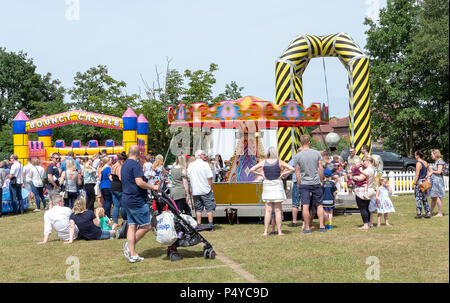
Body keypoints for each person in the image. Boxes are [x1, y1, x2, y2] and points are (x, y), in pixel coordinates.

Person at [121, 145, 159, 263]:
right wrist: (152, 186)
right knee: (146, 226)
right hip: (136, 199)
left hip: (126, 198)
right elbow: (139, 182)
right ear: (138, 154)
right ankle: (128, 246)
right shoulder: (135, 164)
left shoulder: (124, 164)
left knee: (132, 226)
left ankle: (132, 254)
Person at [249, 146, 294, 236]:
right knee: (278, 210)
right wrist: (283, 174)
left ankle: (265, 231)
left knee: (268, 210)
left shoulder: (264, 162)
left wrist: (261, 174)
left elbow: (251, 169)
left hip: (267, 185)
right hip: (277, 184)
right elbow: (292, 169)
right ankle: (279, 231)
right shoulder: (279, 162)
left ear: (268, 153)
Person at [294, 135, 326, 234]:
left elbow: (297, 172)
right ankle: (321, 226)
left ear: (301, 142)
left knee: (305, 206)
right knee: (319, 205)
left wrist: (299, 183)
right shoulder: (316, 153)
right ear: (309, 142)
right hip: (316, 182)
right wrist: (321, 180)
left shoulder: (297, 156)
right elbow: (320, 168)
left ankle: (307, 228)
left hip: (304, 183)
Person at [187, 150, 217, 230]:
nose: (205, 156)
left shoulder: (191, 165)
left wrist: (191, 187)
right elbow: (209, 178)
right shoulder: (205, 164)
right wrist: (211, 188)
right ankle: (211, 225)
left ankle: (199, 224)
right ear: (200, 156)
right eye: (204, 155)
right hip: (205, 189)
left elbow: (188, 176)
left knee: (198, 208)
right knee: (209, 207)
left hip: (196, 190)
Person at [352, 155, 377, 229]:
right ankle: (369, 223)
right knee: (367, 208)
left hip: (362, 192)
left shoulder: (367, 170)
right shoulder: (372, 169)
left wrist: (353, 177)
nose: (362, 162)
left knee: (363, 209)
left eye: (363, 161)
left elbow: (360, 178)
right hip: (369, 191)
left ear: (368, 161)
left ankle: (365, 225)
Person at [110, 152, 128, 228]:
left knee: (116, 206)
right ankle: (125, 221)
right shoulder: (119, 167)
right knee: (123, 205)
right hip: (119, 188)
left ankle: (115, 222)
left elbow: (111, 176)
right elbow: (121, 178)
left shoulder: (113, 166)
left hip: (113, 187)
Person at [412, 150, 431, 219]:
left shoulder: (418, 163)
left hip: (419, 182)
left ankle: (419, 213)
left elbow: (417, 175)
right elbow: (431, 171)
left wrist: (414, 183)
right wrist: (427, 176)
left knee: (418, 198)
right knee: (425, 198)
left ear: (417, 156)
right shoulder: (425, 162)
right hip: (425, 182)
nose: (415, 156)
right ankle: (428, 213)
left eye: (415, 155)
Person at [427, 149, 446, 217]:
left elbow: (439, 171)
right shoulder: (436, 161)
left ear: (435, 154)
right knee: (433, 197)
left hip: (437, 181)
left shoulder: (440, 161)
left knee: (437, 197)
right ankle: (429, 212)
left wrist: (431, 171)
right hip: (434, 181)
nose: (431, 156)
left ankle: (440, 213)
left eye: (432, 154)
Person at [288, 150, 301, 227]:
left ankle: (294, 222)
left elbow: (288, 168)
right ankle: (305, 222)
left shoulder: (294, 159)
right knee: (305, 203)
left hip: (297, 182)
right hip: (307, 182)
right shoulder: (307, 158)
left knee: (295, 203)